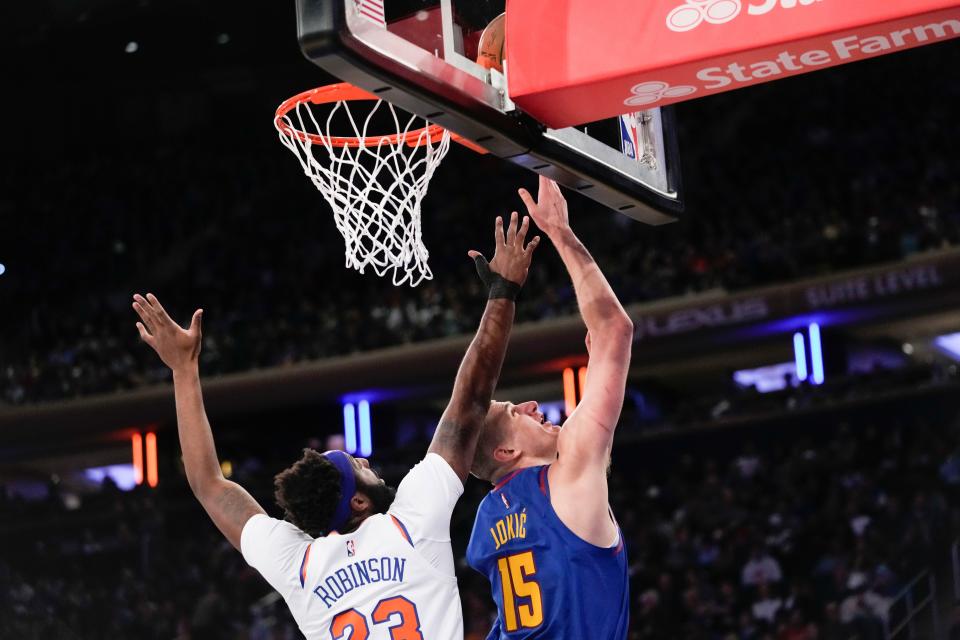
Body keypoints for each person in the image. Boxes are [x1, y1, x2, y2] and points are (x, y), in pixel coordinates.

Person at [131, 211, 539, 639]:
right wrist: (503, 292)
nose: (366, 457)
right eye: (359, 465)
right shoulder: (409, 521)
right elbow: (469, 402)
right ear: (359, 503)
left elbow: (208, 483)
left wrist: (182, 370)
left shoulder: (299, 563)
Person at [466, 177, 633, 638]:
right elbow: (615, 330)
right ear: (504, 453)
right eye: (514, 412)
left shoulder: (486, 520)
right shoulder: (571, 471)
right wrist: (561, 232)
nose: (532, 404)